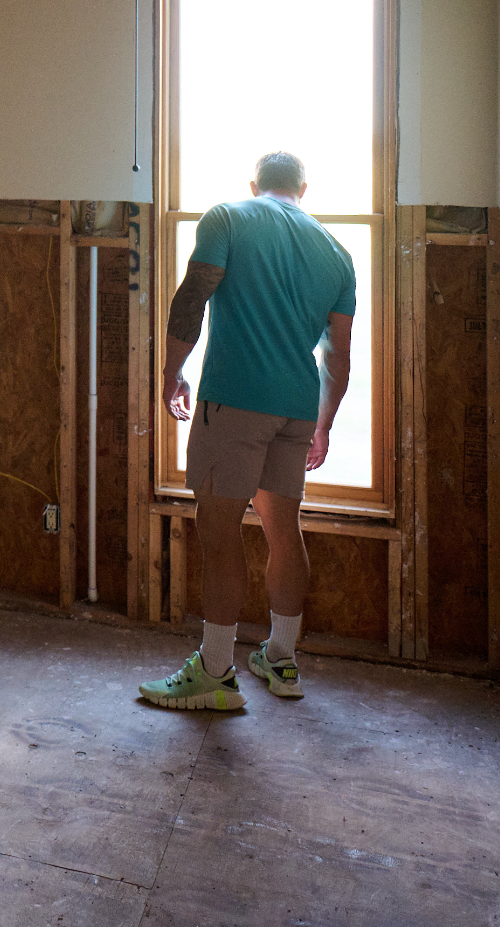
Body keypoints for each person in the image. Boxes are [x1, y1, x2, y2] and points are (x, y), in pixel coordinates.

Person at [139, 151, 355, 711]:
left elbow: (193, 297)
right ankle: (280, 659)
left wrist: (172, 372)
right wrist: (324, 424)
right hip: (296, 408)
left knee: (219, 534)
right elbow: (338, 357)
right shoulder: (337, 253)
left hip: (234, 401)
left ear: (255, 184)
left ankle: (215, 671)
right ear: (303, 189)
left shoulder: (228, 217)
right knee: (284, 531)